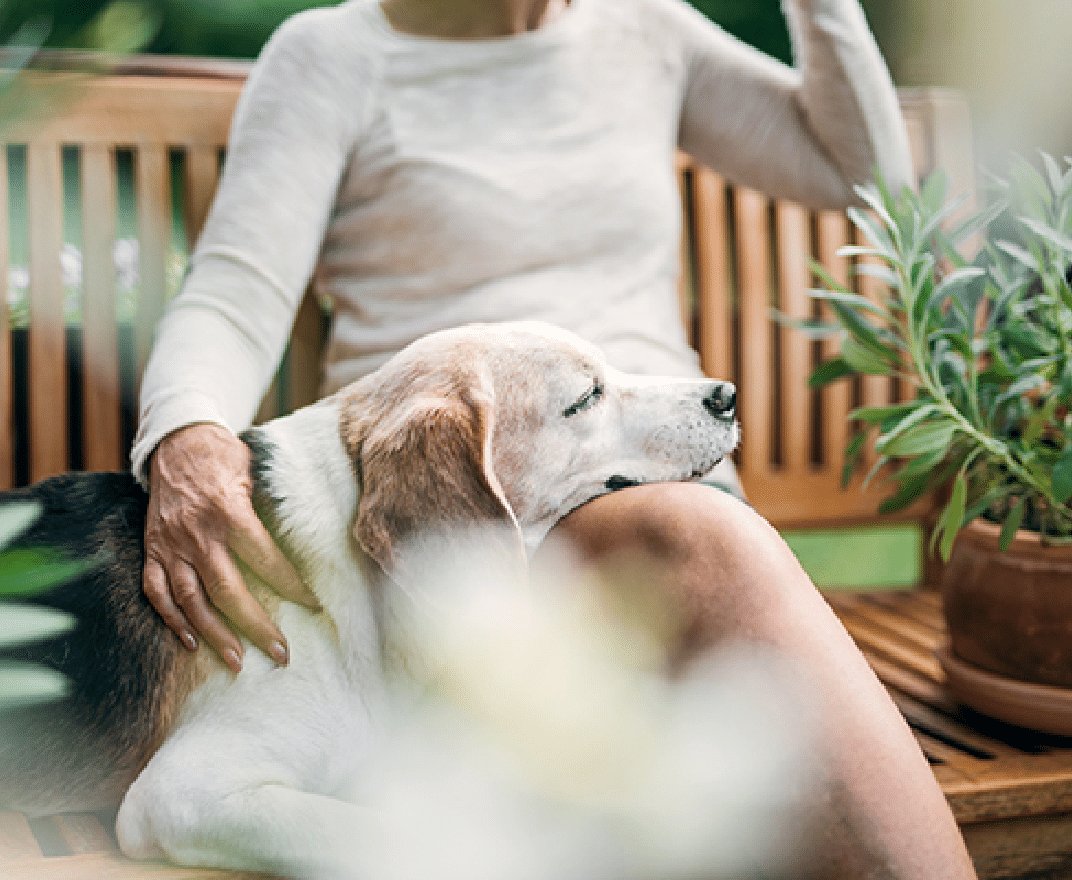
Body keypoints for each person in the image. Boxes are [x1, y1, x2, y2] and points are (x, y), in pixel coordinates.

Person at [131, 0, 978, 876]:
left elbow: (867, 173)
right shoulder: (333, 54)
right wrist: (189, 439)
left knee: (704, 559)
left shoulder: (649, 31)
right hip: (457, 510)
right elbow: (233, 295)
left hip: (656, 476)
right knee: (704, 546)